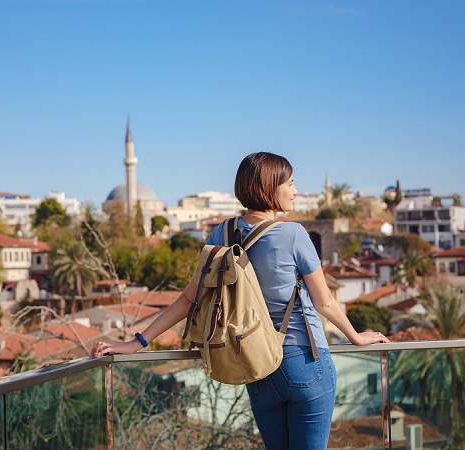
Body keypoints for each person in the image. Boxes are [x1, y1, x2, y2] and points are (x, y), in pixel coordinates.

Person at [92, 152, 389, 450]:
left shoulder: (222, 232)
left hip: (254, 364)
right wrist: (356, 337)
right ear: (270, 187)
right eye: (291, 183)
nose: (296, 191)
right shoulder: (294, 234)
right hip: (305, 361)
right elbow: (325, 303)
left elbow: (187, 300)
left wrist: (134, 344)